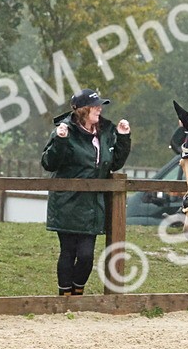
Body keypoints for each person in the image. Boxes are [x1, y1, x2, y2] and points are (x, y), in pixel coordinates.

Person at [42, 88, 131, 296]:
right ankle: (65, 297)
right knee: (68, 251)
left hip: (92, 205)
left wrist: (123, 137)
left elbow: (114, 163)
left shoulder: (106, 131)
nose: (100, 109)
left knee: (86, 256)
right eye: (95, 106)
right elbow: (49, 162)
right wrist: (60, 141)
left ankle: (77, 293)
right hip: (67, 202)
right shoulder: (65, 130)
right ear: (82, 110)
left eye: (100, 105)